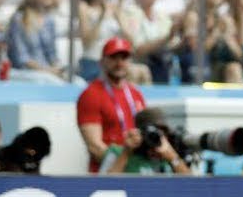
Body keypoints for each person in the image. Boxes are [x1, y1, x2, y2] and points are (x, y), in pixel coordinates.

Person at [76, 37, 147, 173]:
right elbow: (95, 147)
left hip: (135, 172)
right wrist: (124, 162)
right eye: (114, 57)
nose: (119, 63)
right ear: (102, 61)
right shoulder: (91, 94)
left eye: (124, 58)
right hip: (106, 174)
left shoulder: (136, 94)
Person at [100, 107, 192, 174]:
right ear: (138, 133)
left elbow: (192, 186)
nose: (154, 137)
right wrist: (125, 153)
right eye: (149, 134)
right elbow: (103, 185)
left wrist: (172, 157)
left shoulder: (168, 154)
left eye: (160, 133)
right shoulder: (118, 152)